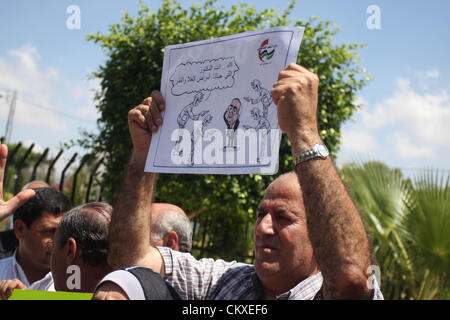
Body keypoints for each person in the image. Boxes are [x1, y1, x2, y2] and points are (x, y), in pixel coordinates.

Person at [94, 63, 383, 300]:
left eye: (283, 217)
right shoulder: (226, 282)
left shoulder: (322, 294)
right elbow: (129, 258)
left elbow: (351, 280)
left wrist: (304, 130)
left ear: (318, 237)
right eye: (261, 214)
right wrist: (144, 155)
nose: (263, 227)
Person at [0, 187, 72, 291]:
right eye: (50, 231)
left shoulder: (79, 282)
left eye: (65, 233)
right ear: (20, 229)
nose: (60, 241)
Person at [0, 180, 52, 259]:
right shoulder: (3, 243)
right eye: (32, 202)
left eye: (46, 201)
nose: (40, 208)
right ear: (19, 228)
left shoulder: (61, 249)